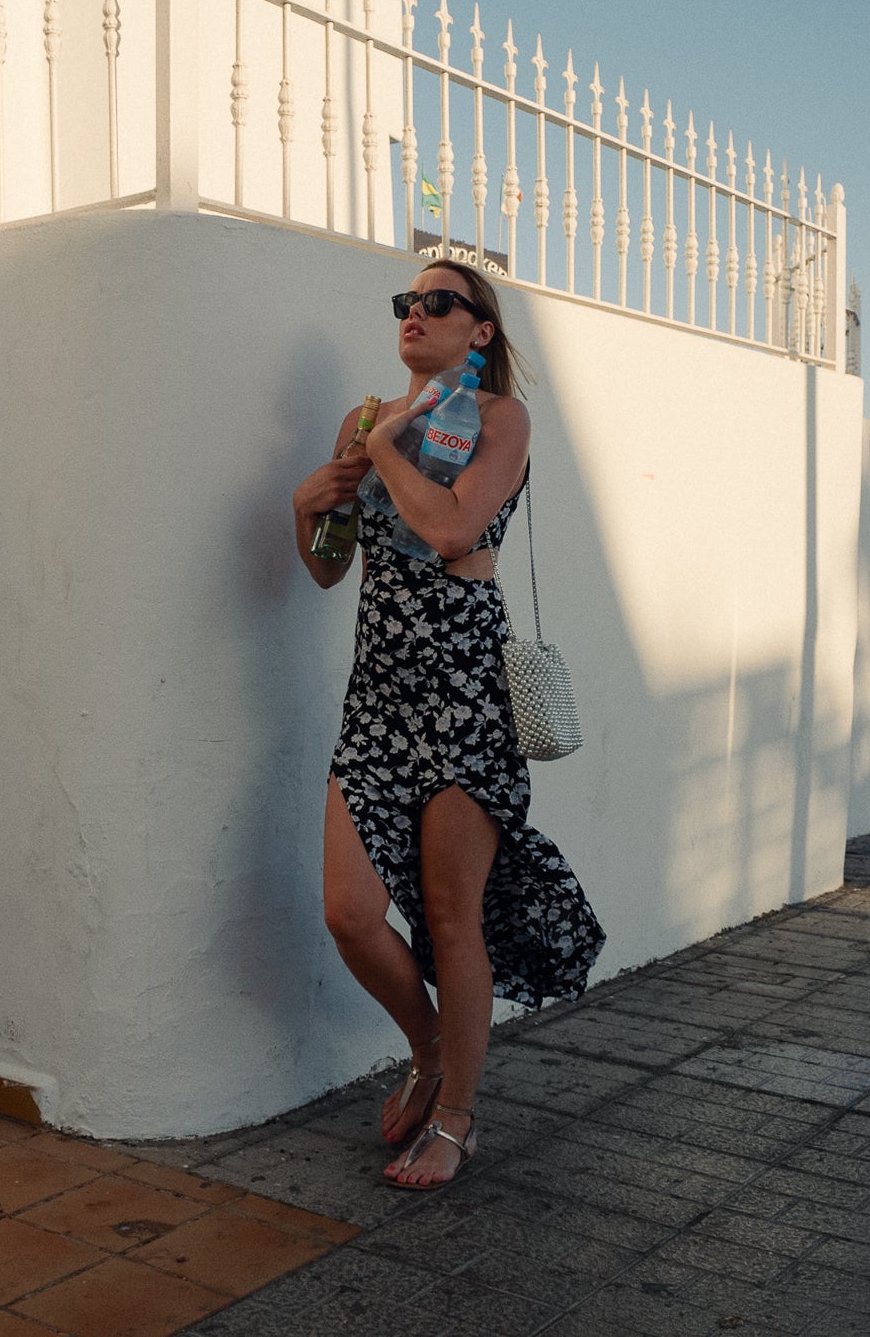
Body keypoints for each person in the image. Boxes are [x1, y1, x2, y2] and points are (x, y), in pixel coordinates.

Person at [292, 260, 605, 1191]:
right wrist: (307, 508)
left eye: (438, 303)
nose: (415, 314)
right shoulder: (366, 417)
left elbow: (452, 531)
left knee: (450, 918)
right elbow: (330, 569)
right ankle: (430, 1051)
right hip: (379, 695)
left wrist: (385, 449)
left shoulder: (500, 419)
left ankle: (457, 1118)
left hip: (466, 691)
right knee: (350, 914)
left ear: (480, 330)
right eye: (407, 303)